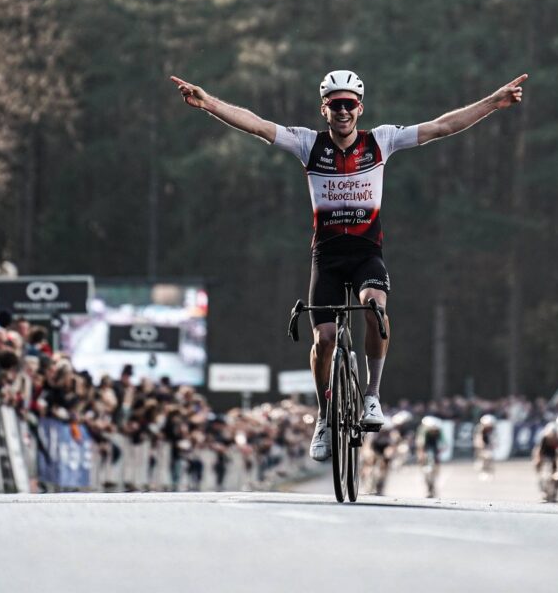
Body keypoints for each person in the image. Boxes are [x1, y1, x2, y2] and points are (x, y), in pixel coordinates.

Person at [171, 69, 527, 461]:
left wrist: (493, 103)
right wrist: (209, 104)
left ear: (360, 108)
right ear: (324, 109)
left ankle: (372, 395)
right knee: (323, 340)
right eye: (335, 105)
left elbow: (442, 126)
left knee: (375, 309)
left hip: (365, 254)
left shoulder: (382, 141)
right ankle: (325, 418)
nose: (343, 111)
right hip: (326, 258)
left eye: (349, 104)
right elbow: (257, 125)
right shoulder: (308, 144)